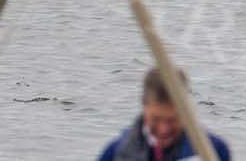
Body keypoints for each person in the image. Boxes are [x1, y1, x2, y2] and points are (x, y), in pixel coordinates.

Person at [95, 66, 232, 161]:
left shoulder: (213, 150)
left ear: (186, 112)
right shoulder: (115, 154)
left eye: (173, 120)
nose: (163, 129)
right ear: (144, 106)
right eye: (155, 119)